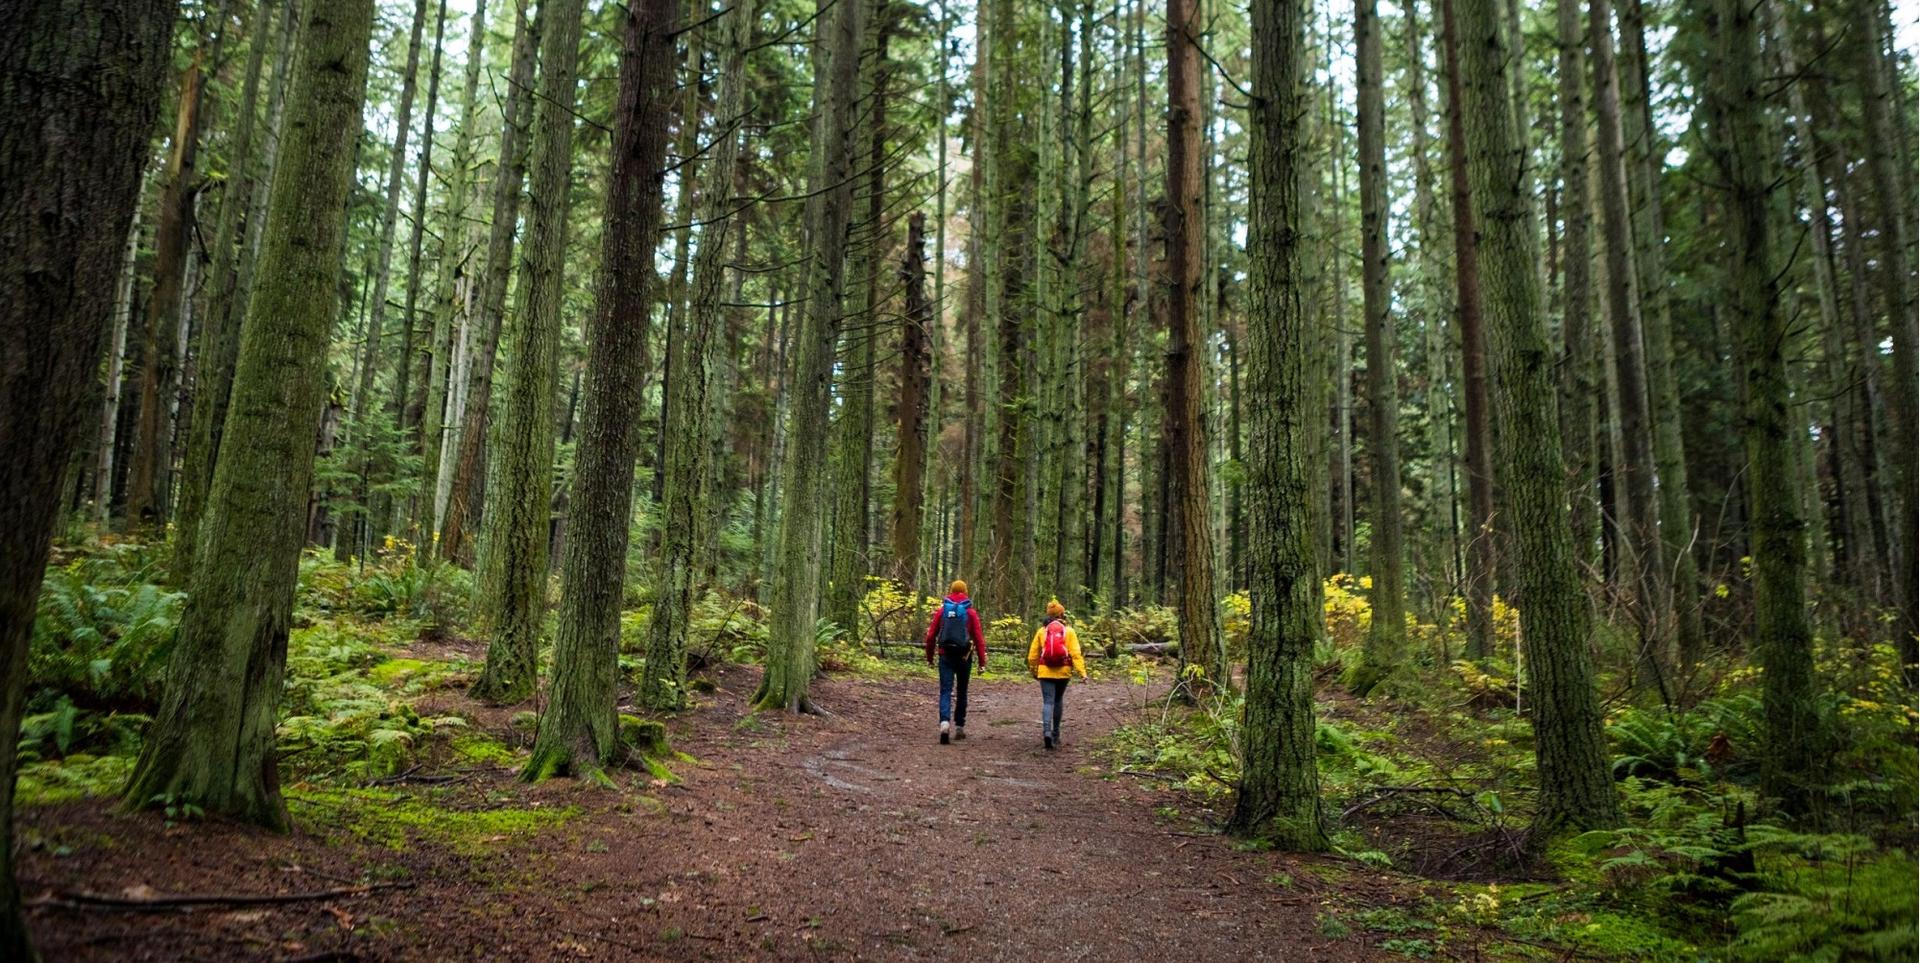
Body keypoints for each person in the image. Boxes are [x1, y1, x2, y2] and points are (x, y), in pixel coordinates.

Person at [924, 579, 987, 744]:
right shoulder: (970, 613)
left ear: (950, 591)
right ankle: (959, 727)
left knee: (945, 690)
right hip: (964, 657)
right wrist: (982, 662)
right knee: (962, 691)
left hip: (945, 655)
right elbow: (979, 639)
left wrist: (930, 657)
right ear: (965, 592)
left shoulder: (942, 611)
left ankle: (944, 723)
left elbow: (931, 636)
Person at [1026, 600, 1087, 749]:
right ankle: (1056, 733)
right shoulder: (1069, 631)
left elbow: (1032, 655)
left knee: (1048, 701)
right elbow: (1076, 654)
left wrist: (1034, 670)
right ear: (1062, 614)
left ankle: (1046, 731)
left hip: (1045, 670)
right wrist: (1082, 672)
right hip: (1063, 671)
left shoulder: (1042, 631)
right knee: (1058, 700)